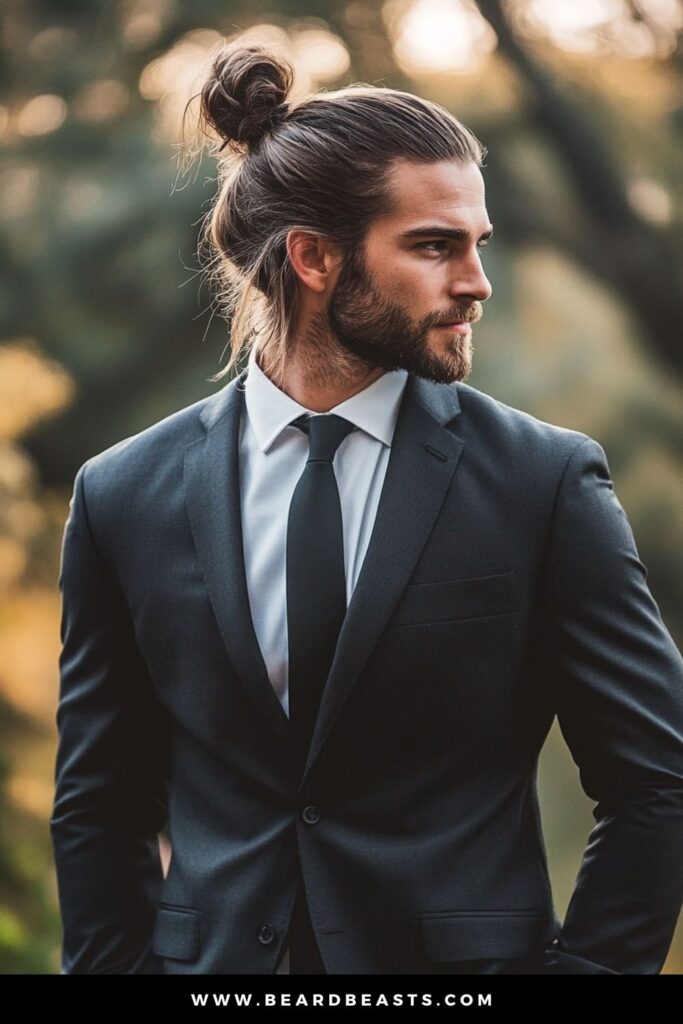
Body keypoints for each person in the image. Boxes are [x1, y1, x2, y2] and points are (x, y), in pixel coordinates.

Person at [50, 41, 683, 976]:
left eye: (477, 244)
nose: (475, 282)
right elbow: (100, 802)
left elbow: (658, 783)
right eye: (434, 246)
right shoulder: (122, 495)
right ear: (312, 257)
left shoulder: (542, 483)